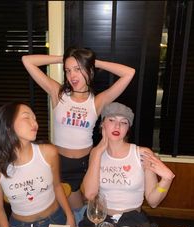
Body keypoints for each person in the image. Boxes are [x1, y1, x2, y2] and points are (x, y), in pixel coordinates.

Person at [22, 47, 135, 210]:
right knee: (69, 208)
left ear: (89, 70)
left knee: (90, 206)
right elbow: (27, 61)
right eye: (68, 70)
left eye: (77, 69)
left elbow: (129, 73)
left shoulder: (97, 101)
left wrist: (92, 62)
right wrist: (63, 58)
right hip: (60, 162)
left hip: (87, 162)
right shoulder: (58, 93)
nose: (72, 76)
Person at [80, 102, 175, 227]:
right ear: (103, 124)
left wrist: (166, 180)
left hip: (132, 221)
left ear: (128, 128)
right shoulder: (96, 154)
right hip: (101, 218)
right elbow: (90, 194)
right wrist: (97, 153)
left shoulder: (142, 154)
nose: (117, 126)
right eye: (112, 120)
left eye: (124, 122)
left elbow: (153, 201)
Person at [0, 101, 75, 227]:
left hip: (56, 220)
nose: (35, 124)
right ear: (8, 124)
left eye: (35, 118)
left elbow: (57, 186)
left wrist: (70, 216)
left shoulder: (49, 152)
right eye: (27, 117)